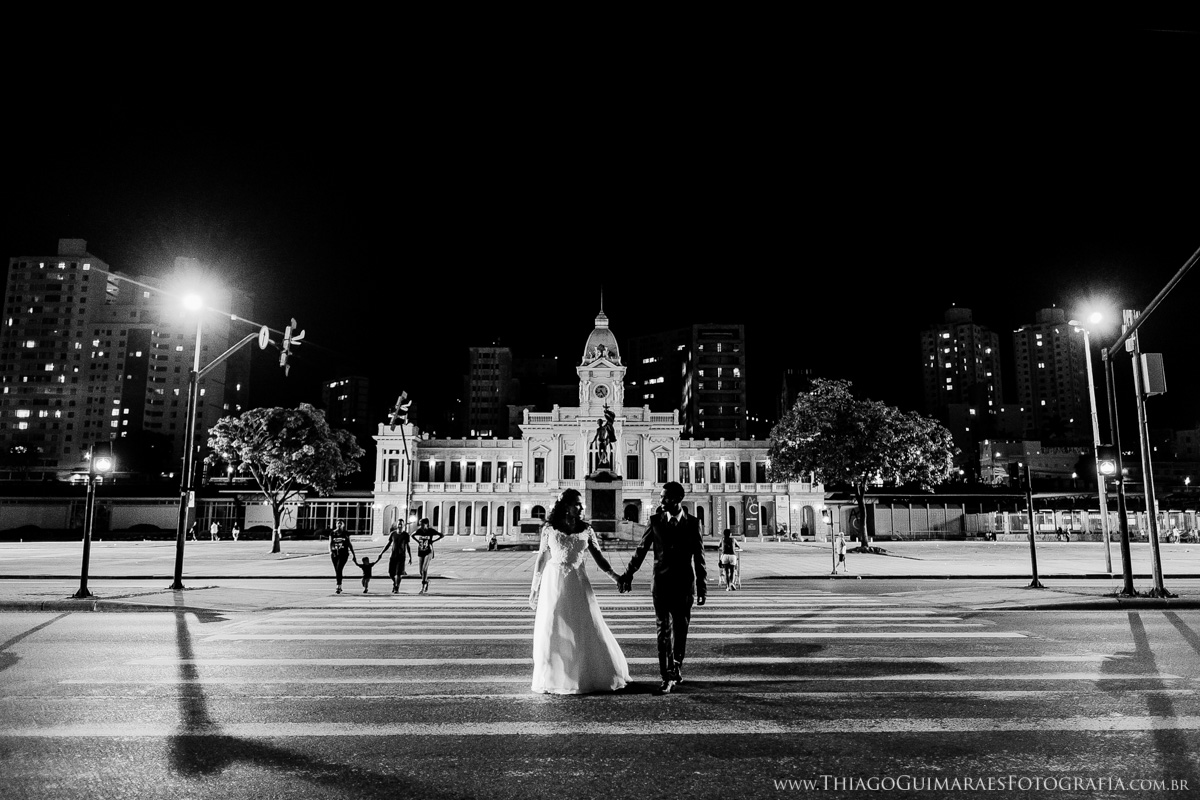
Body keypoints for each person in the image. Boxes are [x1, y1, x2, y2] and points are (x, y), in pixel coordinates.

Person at [529, 488, 629, 694]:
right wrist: (534, 588)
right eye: (577, 503)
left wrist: (615, 576)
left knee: (583, 626)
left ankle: (582, 673)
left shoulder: (587, 530)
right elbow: (541, 558)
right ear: (565, 506)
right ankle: (554, 675)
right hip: (552, 581)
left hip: (577, 580)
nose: (581, 507)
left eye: (581, 504)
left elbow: (600, 558)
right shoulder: (549, 529)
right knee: (552, 626)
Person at [618, 481, 707, 695]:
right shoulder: (655, 521)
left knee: (681, 628)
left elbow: (699, 557)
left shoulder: (693, 523)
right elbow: (641, 550)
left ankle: (676, 665)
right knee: (663, 631)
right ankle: (666, 676)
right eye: (661, 496)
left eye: (665, 497)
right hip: (661, 585)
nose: (661, 500)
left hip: (685, 585)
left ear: (677, 499)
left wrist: (702, 587)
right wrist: (628, 574)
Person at [411, 518, 444, 594]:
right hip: (421, 551)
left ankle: (423, 587)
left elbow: (441, 535)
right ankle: (426, 580)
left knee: (424, 569)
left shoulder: (431, 531)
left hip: (428, 551)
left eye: (422, 524)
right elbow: (412, 535)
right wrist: (418, 542)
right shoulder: (419, 530)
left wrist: (433, 541)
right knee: (420, 571)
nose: (421, 526)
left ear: (426, 524)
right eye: (420, 524)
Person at [379, 521, 412, 594]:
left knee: (399, 573)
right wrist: (381, 553)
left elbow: (407, 546)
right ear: (397, 525)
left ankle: (397, 587)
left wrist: (410, 557)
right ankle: (395, 582)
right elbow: (388, 544)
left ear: (403, 525)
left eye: (401, 524)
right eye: (399, 523)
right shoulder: (393, 534)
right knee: (391, 573)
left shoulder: (405, 535)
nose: (400, 525)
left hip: (401, 556)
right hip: (393, 555)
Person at [328, 520, 356, 594]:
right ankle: (339, 584)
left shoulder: (345, 533)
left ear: (343, 524)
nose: (339, 524)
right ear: (336, 524)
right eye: (338, 523)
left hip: (343, 553)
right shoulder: (333, 533)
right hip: (335, 553)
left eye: (341, 523)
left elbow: (349, 544)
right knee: (337, 570)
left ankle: (338, 585)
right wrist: (330, 551)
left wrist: (353, 554)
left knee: (339, 568)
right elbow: (330, 543)